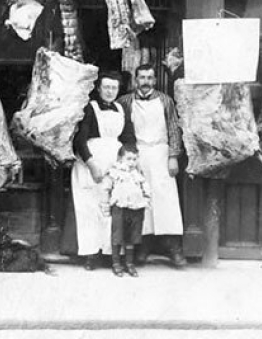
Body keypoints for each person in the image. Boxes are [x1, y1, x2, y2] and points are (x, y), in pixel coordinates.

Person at [117, 63, 186, 268]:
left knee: (167, 202)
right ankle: (143, 248)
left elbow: (174, 130)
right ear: (135, 80)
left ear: (154, 80)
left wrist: (173, 156)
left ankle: (174, 250)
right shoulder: (125, 102)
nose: (145, 82)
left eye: (149, 78)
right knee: (141, 201)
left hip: (161, 154)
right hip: (137, 155)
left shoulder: (166, 101)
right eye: (142, 78)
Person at [71, 71, 135, 270]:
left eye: (114, 87)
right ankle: (91, 254)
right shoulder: (90, 108)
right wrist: (92, 165)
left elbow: (128, 138)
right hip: (91, 162)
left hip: (115, 163)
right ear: (98, 89)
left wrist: (127, 164)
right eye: (106, 87)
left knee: (111, 208)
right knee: (89, 208)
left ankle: (111, 253)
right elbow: (80, 140)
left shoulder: (122, 108)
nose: (110, 91)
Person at [101, 144, 151, 277]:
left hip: (135, 208)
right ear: (120, 159)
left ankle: (129, 263)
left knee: (131, 236)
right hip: (119, 208)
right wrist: (106, 206)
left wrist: (145, 200)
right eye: (128, 159)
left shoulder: (138, 173)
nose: (132, 162)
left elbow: (145, 188)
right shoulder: (114, 172)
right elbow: (106, 189)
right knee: (118, 235)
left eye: (135, 159)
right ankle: (116, 263)